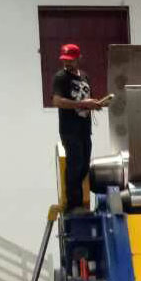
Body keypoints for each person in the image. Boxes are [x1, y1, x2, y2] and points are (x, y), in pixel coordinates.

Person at [51, 43, 113, 214]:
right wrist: (82, 104)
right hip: (69, 129)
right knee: (75, 164)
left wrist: (97, 104)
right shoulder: (61, 78)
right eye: (65, 60)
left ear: (79, 59)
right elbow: (57, 101)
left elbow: (86, 100)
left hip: (84, 128)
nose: (67, 63)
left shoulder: (84, 76)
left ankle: (79, 203)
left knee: (84, 165)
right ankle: (73, 205)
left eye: (70, 60)